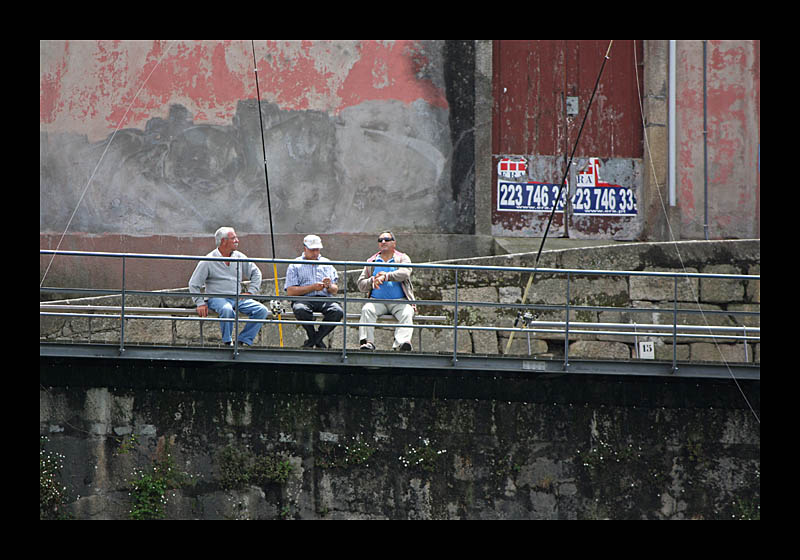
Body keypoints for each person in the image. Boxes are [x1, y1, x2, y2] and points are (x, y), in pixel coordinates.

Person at [188, 227, 270, 347]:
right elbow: (194, 284)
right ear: (223, 241)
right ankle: (227, 342)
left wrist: (251, 292)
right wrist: (200, 303)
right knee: (227, 310)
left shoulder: (239, 257)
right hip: (216, 298)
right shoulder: (208, 260)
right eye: (233, 238)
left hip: (237, 298)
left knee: (261, 310)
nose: (237, 240)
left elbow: (256, 273)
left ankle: (243, 341)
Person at [357, 231, 415, 351]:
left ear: (394, 243)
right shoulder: (371, 261)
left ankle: (402, 343)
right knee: (367, 310)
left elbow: (405, 273)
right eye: (380, 240)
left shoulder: (402, 258)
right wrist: (372, 281)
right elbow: (361, 285)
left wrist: (386, 276)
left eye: (387, 239)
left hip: (399, 301)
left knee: (408, 312)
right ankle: (368, 343)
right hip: (377, 301)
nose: (383, 242)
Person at [284, 234, 344, 348]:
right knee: (300, 309)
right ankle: (316, 338)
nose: (316, 253)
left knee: (337, 311)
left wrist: (328, 285)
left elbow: (335, 290)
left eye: (318, 250)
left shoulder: (327, 263)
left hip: (325, 298)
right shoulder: (295, 265)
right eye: (313, 250)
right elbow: (290, 291)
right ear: (305, 248)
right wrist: (312, 287)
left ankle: (313, 340)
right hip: (304, 298)